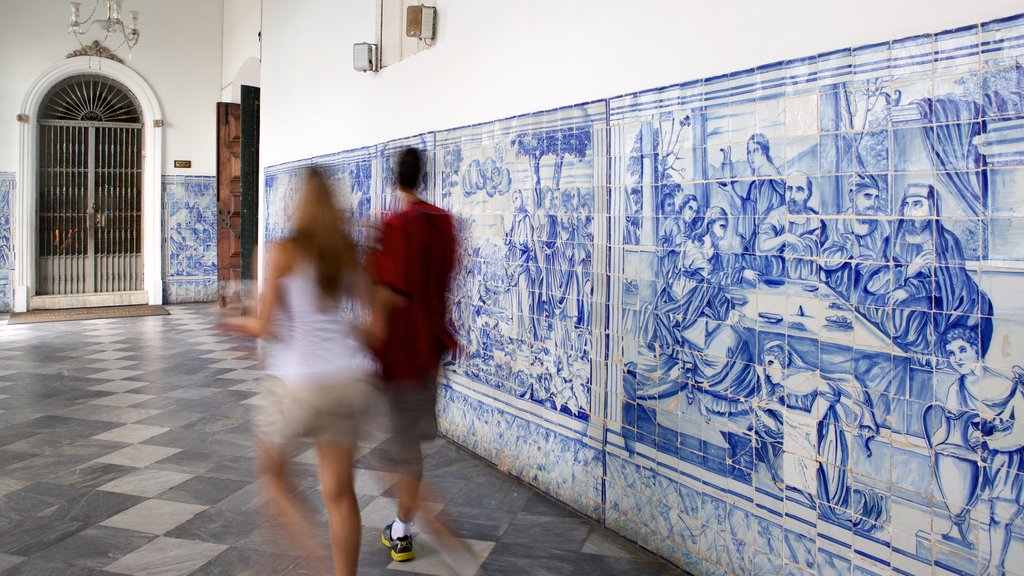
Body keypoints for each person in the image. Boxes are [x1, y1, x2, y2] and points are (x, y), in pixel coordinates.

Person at [221, 168, 378, 576]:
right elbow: (375, 325)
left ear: (299, 204)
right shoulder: (345, 251)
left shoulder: (282, 251)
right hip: (347, 382)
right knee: (340, 494)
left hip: (299, 385)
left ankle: (313, 559)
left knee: (272, 474)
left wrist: (231, 321)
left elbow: (266, 326)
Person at [366, 148, 462, 567]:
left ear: (395, 179)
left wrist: (369, 337)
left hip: (399, 350)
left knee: (388, 450)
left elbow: (390, 293)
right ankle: (406, 523)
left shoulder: (396, 224)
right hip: (430, 349)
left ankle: (405, 530)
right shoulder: (443, 222)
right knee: (406, 444)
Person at [860, 184, 993, 359]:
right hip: (894, 308)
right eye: (906, 205)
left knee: (919, 308)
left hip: (940, 310)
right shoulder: (891, 242)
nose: (908, 212)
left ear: (933, 207)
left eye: (917, 204)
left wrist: (911, 289)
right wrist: (907, 271)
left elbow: (951, 287)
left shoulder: (947, 242)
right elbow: (872, 284)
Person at [936, 327, 1024, 574]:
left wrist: (991, 444)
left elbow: (1020, 435)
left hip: (1008, 459)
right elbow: (948, 428)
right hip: (976, 458)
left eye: (963, 350)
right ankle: (960, 535)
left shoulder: (1010, 383)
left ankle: (995, 566)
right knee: (963, 497)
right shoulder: (957, 388)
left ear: (978, 349)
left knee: (1001, 515)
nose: (957, 358)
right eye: (951, 353)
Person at [820, 173, 888, 300]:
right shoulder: (842, 221)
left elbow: (884, 265)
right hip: (843, 294)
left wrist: (858, 252)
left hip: (872, 293)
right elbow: (825, 260)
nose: (873, 203)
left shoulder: (884, 224)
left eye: (876, 197)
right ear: (852, 196)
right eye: (867, 196)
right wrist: (846, 251)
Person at [756, 171, 821, 280]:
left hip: (805, 283)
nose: (792, 196)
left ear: (807, 194)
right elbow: (761, 247)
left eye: (799, 190)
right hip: (777, 283)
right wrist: (785, 237)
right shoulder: (777, 215)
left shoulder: (815, 220)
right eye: (789, 189)